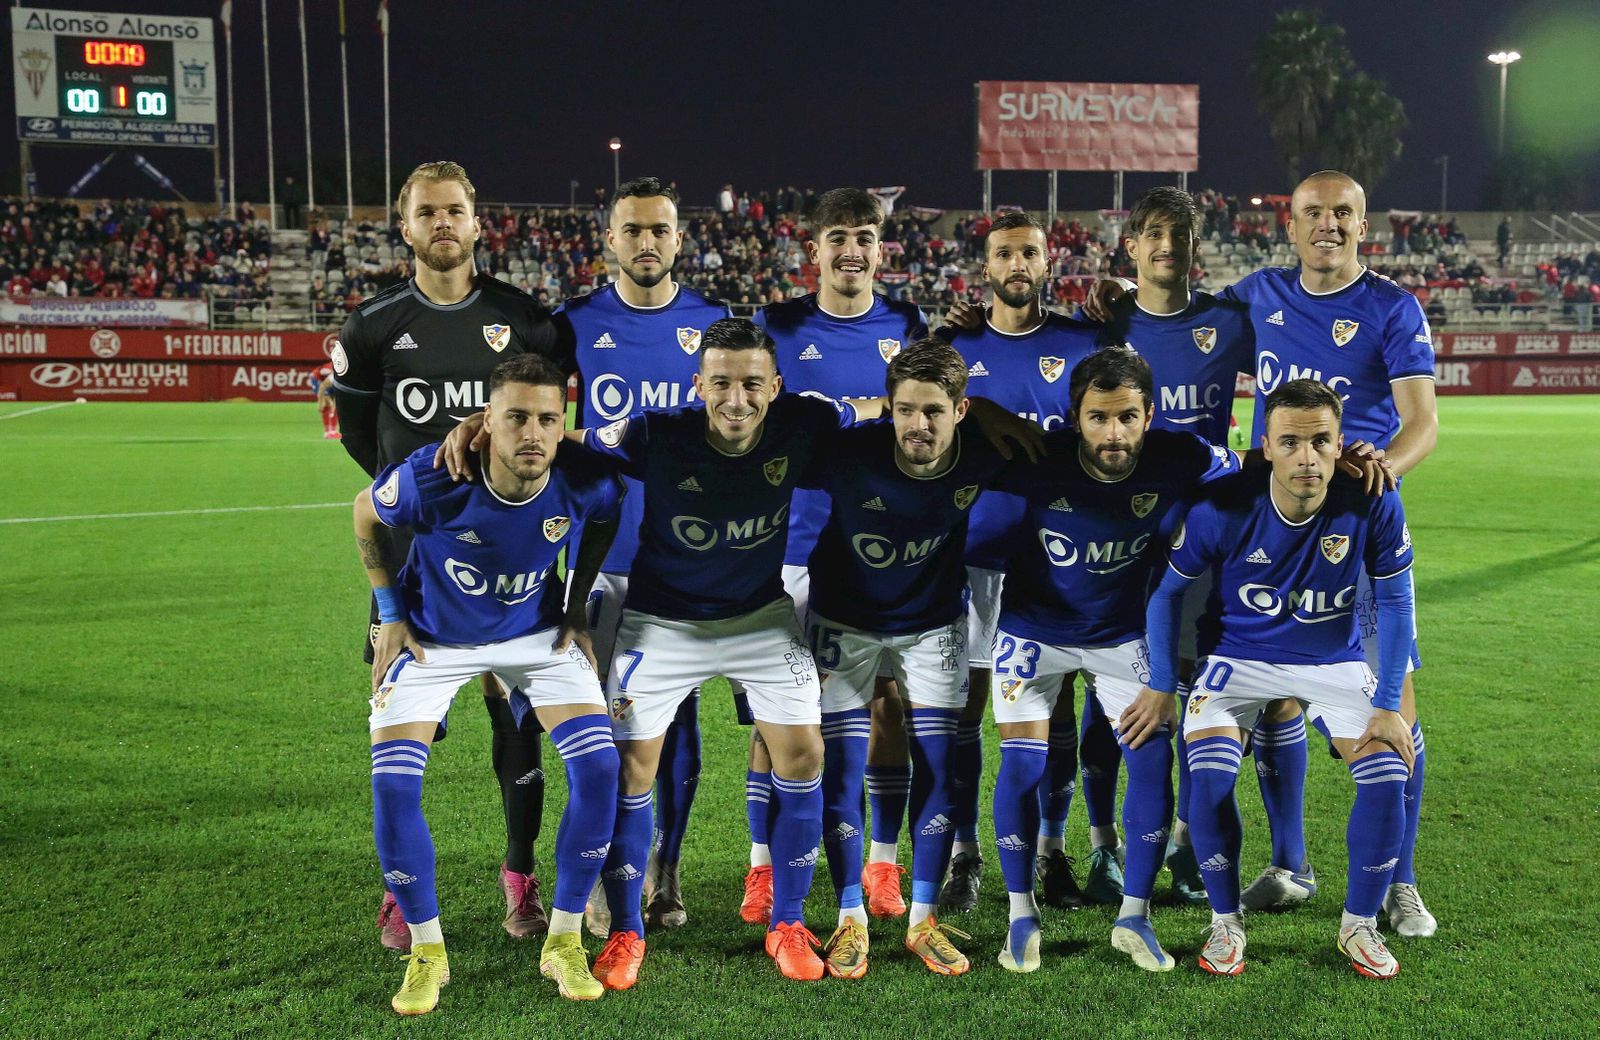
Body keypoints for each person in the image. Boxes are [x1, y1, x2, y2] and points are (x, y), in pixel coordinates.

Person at [1087, 171, 1436, 935]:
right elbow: (1179, 316)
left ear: (1362, 222)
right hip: (1267, 525)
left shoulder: (1392, 307)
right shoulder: (1257, 296)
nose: (1328, 225)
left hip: (1355, 525)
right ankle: (1290, 865)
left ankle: (1402, 883)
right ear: (1291, 224)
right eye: (1314, 213)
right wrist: (1121, 294)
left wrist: (1378, 475)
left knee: (1395, 713)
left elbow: (1422, 424)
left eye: (1343, 213)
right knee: (1276, 689)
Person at [330, 161, 575, 949]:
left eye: (457, 211)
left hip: (518, 562)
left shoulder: (526, 320)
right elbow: (367, 447)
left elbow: (553, 436)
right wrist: (423, 497)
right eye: (427, 212)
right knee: (401, 729)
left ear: (478, 224)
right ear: (404, 227)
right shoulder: (370, 328)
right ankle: (403, 894)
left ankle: (519, 878)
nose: (443, 223)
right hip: (412, 566)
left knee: (518, 727)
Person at [357, 354, 622, 1012]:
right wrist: (389, 614)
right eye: (516, 419)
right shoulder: (436, 476)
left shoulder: (586, 478)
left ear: (564, 426)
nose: (532, 434)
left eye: (546, 420)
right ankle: (427, 950)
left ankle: (563, 942)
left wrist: (574, 606)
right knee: (392, 783)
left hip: (536, 637)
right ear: (486, 424)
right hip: (434, 639)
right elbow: (366, 513)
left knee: (599, 770)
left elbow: (607, 518)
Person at [1142, 378, 1417, 979]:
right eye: (1289, 442)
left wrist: (1389, 703)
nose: (1306, 457)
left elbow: (1396, 604)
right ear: (1264, 444)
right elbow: (1166, 594)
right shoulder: (1222, 509)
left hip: (1334, 662)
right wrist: (1163, 681)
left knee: (1387, 775)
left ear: (1341, 443)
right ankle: (1225, 925)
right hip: (1237, 659)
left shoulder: (1372, 500)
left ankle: (1359, 926)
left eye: (1321, 441)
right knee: (1209, 782)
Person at [985, 347, 1238, 973]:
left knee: (1151, 759)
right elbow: (942, 428)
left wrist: (1345, 462)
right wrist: (987, 411)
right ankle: (1021, 914)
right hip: (1031, 632)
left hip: (1123, 634)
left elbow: (1255, 469)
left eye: (1127, 417)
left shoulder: (1183, 456)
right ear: (1076, 416)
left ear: (1149, 414)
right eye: (1099, 418)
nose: (1114, 434)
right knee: (1021, 767)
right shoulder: (1035, 459)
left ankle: (1133, 916)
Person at [746, 188, 929, 925]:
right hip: (786, 546)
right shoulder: (779, 324)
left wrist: (858, 414)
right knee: (777, 715)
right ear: (812, 249)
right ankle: (763, 868)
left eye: (864, 235)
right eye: (837, 237)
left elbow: (926, 407)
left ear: (880, 247)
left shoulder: (907, 324)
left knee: (889, 704)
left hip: (873, 551)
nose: (851, 249)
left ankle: (883, 864)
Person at [557, 176, 732, 936]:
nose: (647, 243)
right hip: (600, 556)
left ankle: (667, 867)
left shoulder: (716, 323)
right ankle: (597, 870)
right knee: (594, 723)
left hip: (682, 562)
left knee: (679, 717)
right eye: (632, 230)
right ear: (609, 240)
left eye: (660, 230)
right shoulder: (572, 325)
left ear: (679, 239)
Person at [806, 339, 1007, 979]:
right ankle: (848, 917)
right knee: (838, 768)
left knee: (941, 767)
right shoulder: (847, 454)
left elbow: (1068, 463)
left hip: (932, 628)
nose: (919, 426)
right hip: (845, 622)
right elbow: (774, 438)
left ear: (961, 410)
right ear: (887, 408)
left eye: (934, 412)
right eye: (905, 410)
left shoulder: (984, 453)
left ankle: (922, 919)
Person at [935, 211, 1100, 912]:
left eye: (1029, 252)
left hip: (1053, 562)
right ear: (986, 265)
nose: (1018, 263)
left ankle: (1052, 851)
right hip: (971, 558)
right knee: (964, 712)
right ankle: (966, 855)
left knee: (1055, 709)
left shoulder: (1083, 341)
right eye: (1004, 252)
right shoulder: (952, 345)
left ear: (1047, 262)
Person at [311, 359, 340, 439]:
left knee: (337, 405)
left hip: (330, 384)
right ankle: (327, 432)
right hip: (318, 381)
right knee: (327, 404)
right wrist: (320, 402)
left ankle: (333, 431)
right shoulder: (330, 373)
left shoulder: (343, 375)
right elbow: (322, 386)